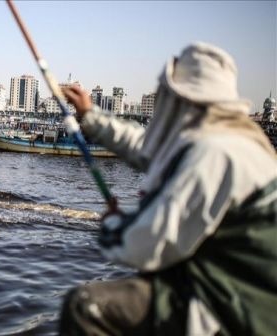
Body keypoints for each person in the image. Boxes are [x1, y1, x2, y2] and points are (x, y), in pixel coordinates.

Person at [58, 42, 277, 335]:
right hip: (234, 288)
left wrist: (113, 222)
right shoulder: (234, 140)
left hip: (231, 308)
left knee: (85, 306)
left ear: (184, 99)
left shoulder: (213, 153)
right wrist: (90, 114)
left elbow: (144, 244)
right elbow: (147, 149)